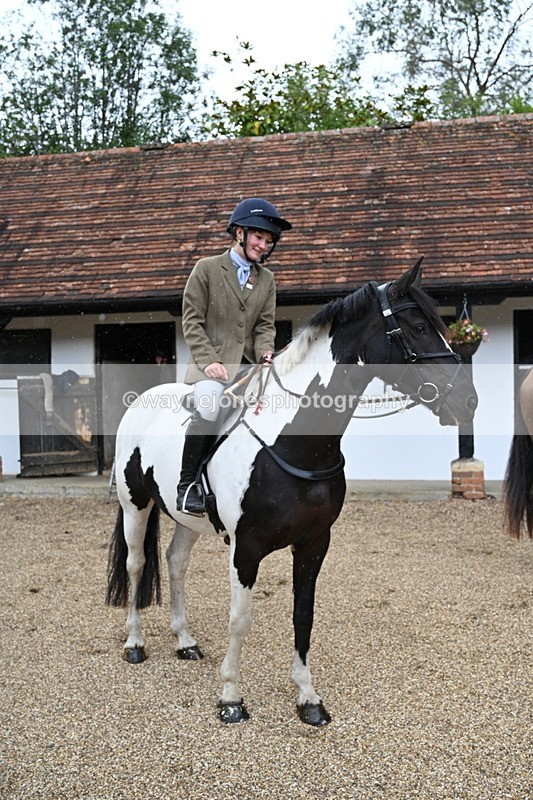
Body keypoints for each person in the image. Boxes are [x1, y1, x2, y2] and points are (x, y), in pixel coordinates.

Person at [177, 197, 292, 514]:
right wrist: (209, 360)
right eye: (259, 237)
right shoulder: (207, 269)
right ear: (239, 233)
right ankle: (187, 486)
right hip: (207, 367)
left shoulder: (266, 280)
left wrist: (266, 352)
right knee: (211, 405)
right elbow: (192, 320)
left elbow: (264, 327)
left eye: (269, 241)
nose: (264, 245)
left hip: (248, 369)